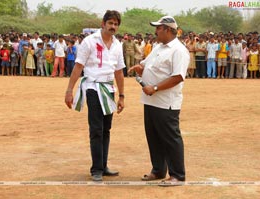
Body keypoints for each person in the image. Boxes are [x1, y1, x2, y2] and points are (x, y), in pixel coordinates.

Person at [65, 10, 125, 182]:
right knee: (96, 130)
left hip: (109, 90)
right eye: (110, 23)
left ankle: (103, 165)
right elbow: (78, 66)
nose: (113, 27)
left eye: (116, 24)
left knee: (106, 129)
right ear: (103, 23)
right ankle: (96, 169)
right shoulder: (89, 41)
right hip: (92, 88)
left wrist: (122, 96)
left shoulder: (117, 45)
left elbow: (119, 72)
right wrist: (69, 90)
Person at [128, 16, 189, 183]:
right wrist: (140, 68)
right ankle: (158, 170)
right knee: (153, 137)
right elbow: (146, 65)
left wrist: (154, 87)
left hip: (166, 102)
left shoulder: (179, 50)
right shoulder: (158, 47)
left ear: (168, 30)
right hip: (150, 101)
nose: (156, 31)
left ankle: (177, 175)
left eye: (159, 28)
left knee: (170, 138)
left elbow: (178, 77)